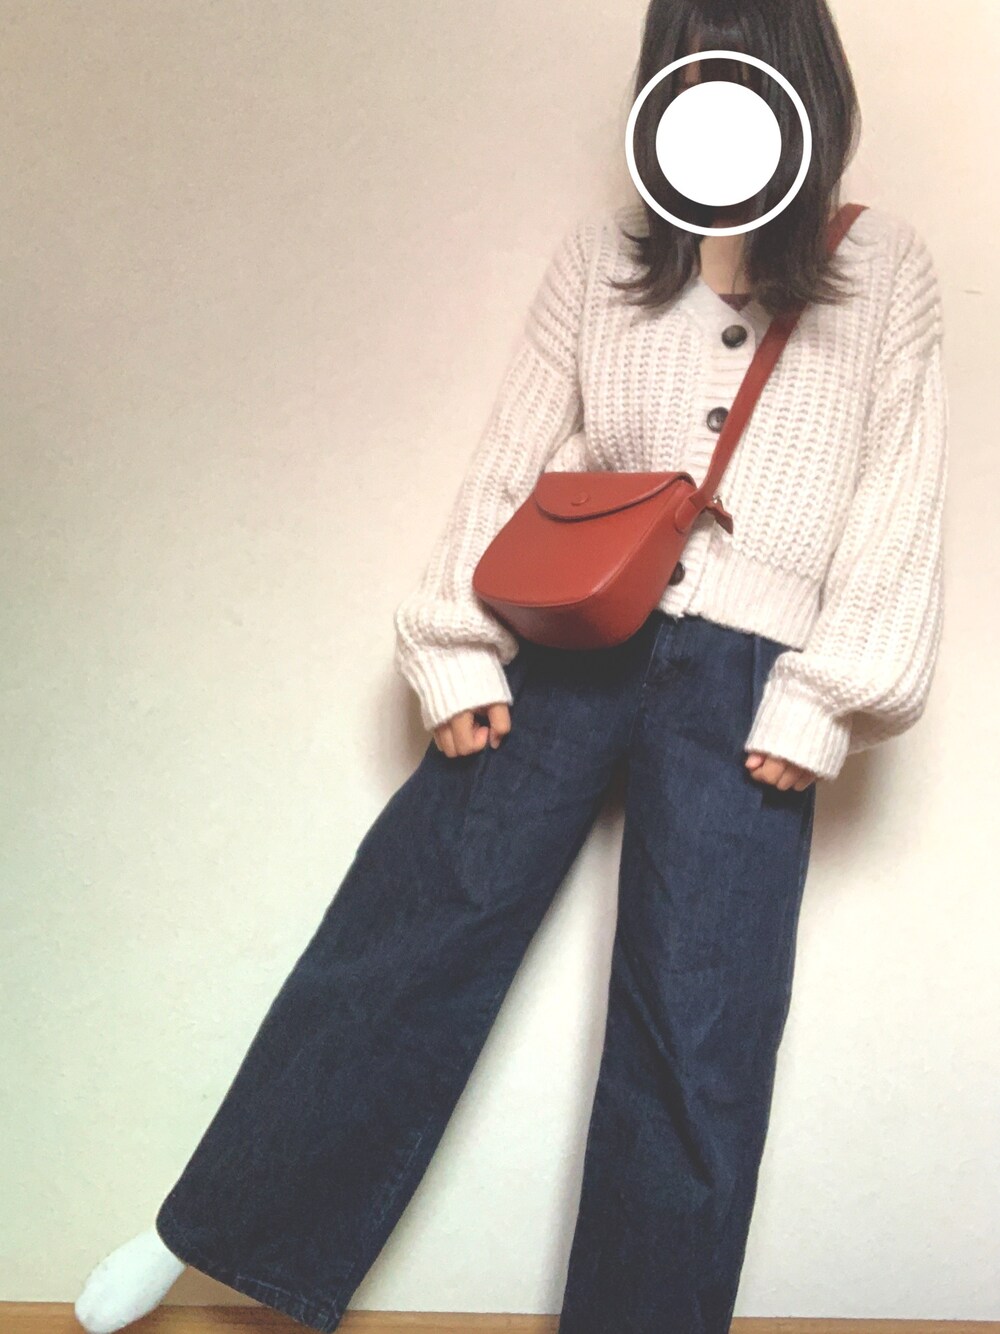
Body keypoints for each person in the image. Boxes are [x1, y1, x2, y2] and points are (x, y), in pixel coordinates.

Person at [74, 2, 948, 1332]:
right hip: (574, 644)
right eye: (692, 61)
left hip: (756, 681)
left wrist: (829, 694)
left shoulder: (881, 264)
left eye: (749, 62)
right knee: (415, 925)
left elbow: (899, 492)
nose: (718, 89)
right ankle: (216, 1233)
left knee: (699, 1018)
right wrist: (452, 644)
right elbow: (513, 455)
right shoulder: (605, 255)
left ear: (807, 83)